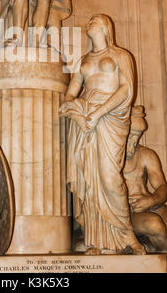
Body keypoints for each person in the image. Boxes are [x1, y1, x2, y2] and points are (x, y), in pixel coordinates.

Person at [59, 14, 145, 255]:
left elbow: (126, 89)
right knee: (89, 179)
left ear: (106, 27)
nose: (90, 22)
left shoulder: (121, 55)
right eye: (89, 21)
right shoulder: (84, 60)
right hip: (84, 120)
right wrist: (78, 114)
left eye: (95, 20)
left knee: (109, 178)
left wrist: (98, 114)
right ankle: (95, 239)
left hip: (110, 119)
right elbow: (69, 95)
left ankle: (127, 234)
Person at [124, 105, 167, 260]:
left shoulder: (146, 154)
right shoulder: (109, 158)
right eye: (130, 136)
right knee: (154, 224)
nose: (134, 141)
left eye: (137, 136)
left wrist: (151, 200)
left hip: (154, 207)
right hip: (128, 214)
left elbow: (162, 187)